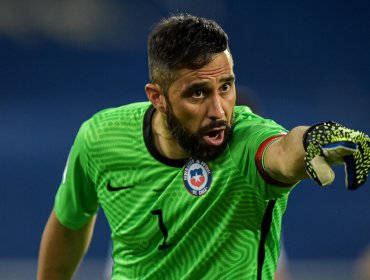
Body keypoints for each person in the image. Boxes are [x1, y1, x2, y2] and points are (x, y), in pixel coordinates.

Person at [37, 14, 370, 280]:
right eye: (198, 93)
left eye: (226, 86)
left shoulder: (244, 138)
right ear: (157, 97)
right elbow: (71, 221)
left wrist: (311, 140)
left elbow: (283, 152)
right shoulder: (100, 138)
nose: (219, 110)